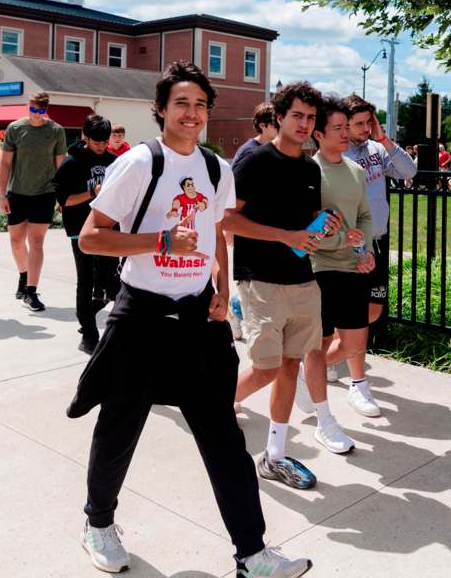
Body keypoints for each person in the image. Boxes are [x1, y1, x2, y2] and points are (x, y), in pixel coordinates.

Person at [67, 61, 312, 577]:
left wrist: (222, 289)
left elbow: (219, 231)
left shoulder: (216, 167)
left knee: (224, 437)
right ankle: (98, 523)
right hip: (142, 316)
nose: (192, 113)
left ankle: (253, 553)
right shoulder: (138, 163)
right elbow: (92, 237)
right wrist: (158, 242)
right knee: (119, 427)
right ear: (161, 109)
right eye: (182, 103)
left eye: (200, 105)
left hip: (200, 319)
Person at [227, 81, 340, 489]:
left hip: (301, 277)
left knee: (292, 364)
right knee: (266, 367)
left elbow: (304, 229)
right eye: (297, 116)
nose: (305, 124)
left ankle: (275, 454)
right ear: (278, 116)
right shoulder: (255, 161)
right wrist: (284, 236)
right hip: (260, 280)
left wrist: (322, 227)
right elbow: (228, 221)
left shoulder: (310, 167)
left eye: (311, 118)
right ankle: (218, 406)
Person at [294, 96, 374, 454]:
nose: (346, 133)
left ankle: (301, 375)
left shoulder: (355, 171)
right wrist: (343, 239)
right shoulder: (308, 172)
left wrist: (365, 251)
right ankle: (325, 421)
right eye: (338, 128)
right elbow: (303, 231)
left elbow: (365, 218)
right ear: (320, 134)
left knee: (355, 344)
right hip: (319, 268)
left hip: (352, 268)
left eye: (348, 127)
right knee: (320, 343)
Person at [341, 94, 417, 416]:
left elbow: (407, 170)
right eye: (359, 123)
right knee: (354, 314)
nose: (365, 128)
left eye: (369, 122)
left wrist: (384, 138)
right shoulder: (337, 153)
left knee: (372, 311)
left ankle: (318, 362)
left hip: (378, 240)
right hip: (351, 244)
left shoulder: (375, 150)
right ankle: (356, 381)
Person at [53, 114, 119, 354]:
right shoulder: (72, 163)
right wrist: (94, 192)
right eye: (96, 142)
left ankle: (87, 314)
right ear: (85, 137)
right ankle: (89, 335)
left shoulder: (115, 161)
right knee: (86, 281)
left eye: (105, 142)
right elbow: (64, 201)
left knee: (112, 284)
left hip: (110, 230)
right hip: (80, 231)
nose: (101, 147)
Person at [0, 91, 67, 311]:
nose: (36, 115)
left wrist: (63, 196)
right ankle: (23, 275)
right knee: (16, 241)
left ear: (46, 110)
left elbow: (61, 165)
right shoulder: (15, 129)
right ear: (28, 107)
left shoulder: (56, 131)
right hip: (17, 193)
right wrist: (2, 194)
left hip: (44, 194)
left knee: (36, 242)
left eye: (41, 110)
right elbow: (6, 164)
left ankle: (31, 291)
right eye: (33, 110)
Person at [231, 102, 279, 169]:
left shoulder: (277, 148)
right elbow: (234, 177)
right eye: (275, 124)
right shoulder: (249, 151)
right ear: (262, 125)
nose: (279, 127)